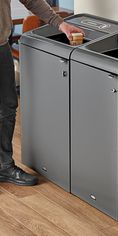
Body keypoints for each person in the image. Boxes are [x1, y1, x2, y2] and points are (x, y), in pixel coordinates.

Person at [0, 0, 84, 186]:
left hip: (1, 47)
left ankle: (4, 165)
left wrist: (60, 23)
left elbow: (31, 0)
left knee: (7, 107)